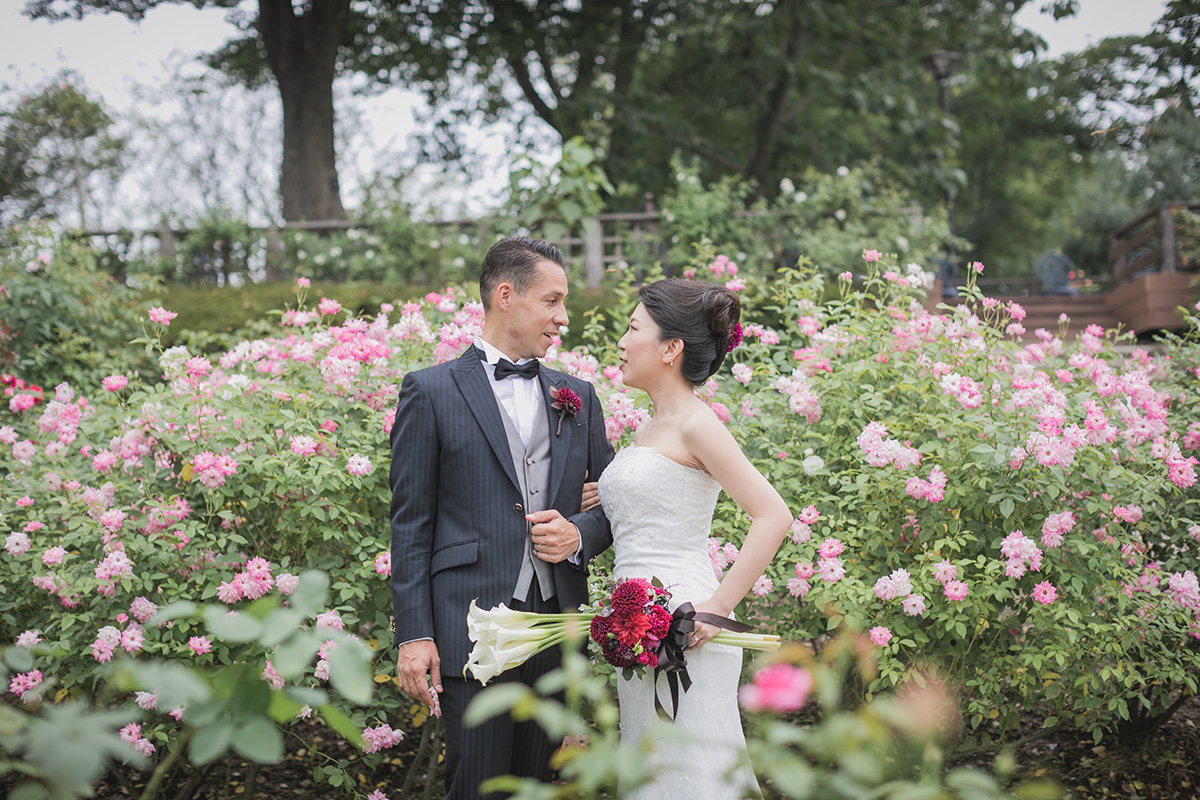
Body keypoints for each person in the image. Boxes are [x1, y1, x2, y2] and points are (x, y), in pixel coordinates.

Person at [389, 236, 614, 800]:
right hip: (469, 626)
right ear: (507, 295)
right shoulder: (431, 390)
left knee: (537, 785)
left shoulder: (578, 395)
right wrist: (414, 634)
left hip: (555, 626)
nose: (564, 318)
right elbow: (411, 523)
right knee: (479, 786)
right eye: (553, 301)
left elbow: (614, 505)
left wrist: (579, 535)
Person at [597, 278, 792, 799]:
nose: (621, 340)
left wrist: (715, 608)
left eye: (633, 327)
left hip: (684, 629)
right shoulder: (651, 427)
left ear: (670, 348)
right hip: (635, 629)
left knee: (693, 773)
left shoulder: (696, 423)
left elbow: (773, 515)